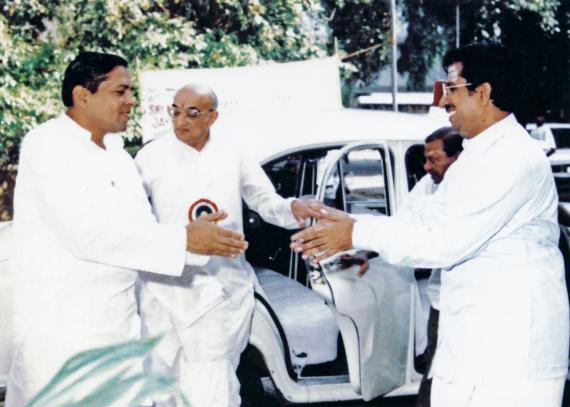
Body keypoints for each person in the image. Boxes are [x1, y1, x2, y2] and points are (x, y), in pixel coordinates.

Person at [291, 42, 569, 407]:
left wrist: (355, 231)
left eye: (451, 88)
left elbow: (442, 241)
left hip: (510, 352)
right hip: (476, 345)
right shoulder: (477, 156)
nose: (442, 101)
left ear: (483, 92)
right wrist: (355, 234)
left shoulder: (511, 157)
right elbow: (422, 221)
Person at [6, 52, 247, 406]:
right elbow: (86, 233)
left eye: (131, 91)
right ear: (82, 96)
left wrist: (194, 243)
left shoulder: (118, 154)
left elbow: (142, 232)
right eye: (121, 91)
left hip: (121, 327)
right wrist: (183, 240)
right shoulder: (47, 144)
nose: (132, 101)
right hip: (64, 335)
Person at [134, 84, 321, 407]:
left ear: (212, 117)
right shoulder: (150, 156)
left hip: (224, 283)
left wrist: (291, 208)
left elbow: (264, 200)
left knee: (215, 377)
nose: (180, 120)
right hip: (168, 285)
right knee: (165, 381)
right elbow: (132, 218)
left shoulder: (233, 151)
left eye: (192, 113)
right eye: (175, 111)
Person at [408, 127, 463, 407]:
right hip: (441, 304)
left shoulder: (478, 187)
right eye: (425, 159)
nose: (426, 167)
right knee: (434, 377)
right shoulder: (430, 183)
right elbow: (405, 219)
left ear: (457, 157)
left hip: (474, 308)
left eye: (433, 159)